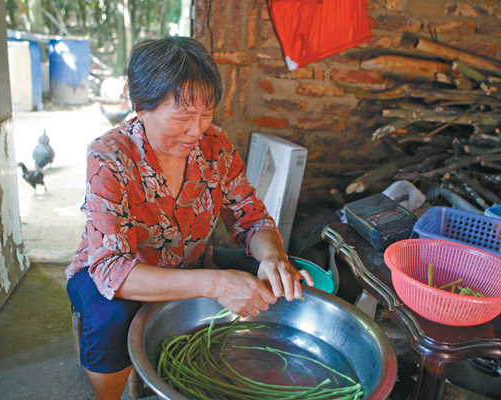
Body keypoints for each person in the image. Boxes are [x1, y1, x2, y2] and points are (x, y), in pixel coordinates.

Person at [65, 36, 314, 400]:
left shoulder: (216, 146)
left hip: (190, 264)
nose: (196, 130)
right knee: (110, 319)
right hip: (117, 276)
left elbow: (252, 220)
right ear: (140, 105)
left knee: (271, 280)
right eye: (182, 117)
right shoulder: (109, 157)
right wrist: (215, 284)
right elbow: (112, 271)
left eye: (206, 115)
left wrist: (274, 255)